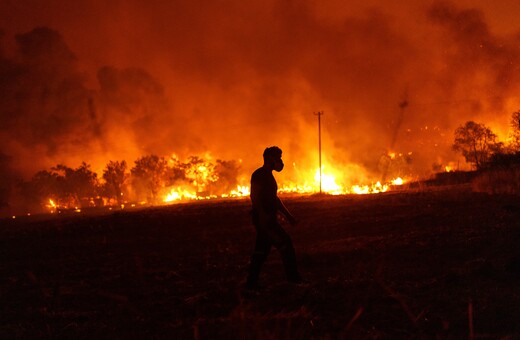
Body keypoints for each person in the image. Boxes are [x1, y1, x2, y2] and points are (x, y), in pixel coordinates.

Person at [245, 146, 305, 290]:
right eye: (278, 158)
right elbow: (255, 196)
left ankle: (250, 284)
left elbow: (274, 199)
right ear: (270, 159)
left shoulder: (269, 176)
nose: (280, 161)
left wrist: (288, 216)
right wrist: (262, 217)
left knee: (261, 251)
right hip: (265, 221)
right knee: (286, 244)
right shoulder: (259, 174)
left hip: (267, 219)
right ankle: (293, 279)